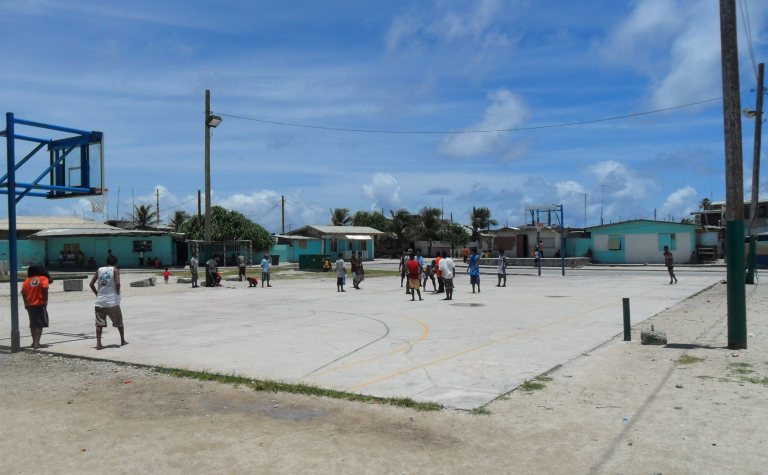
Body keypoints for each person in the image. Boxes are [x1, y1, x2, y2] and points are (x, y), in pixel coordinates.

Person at [89, 256, 126, 350]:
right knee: (119, 321)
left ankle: (98, 344)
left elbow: (91, 284)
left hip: (100, 301)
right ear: (115, 262)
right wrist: (117, 292)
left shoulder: (99, 269)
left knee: (99, 323)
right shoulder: (115, 269)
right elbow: (117, 283)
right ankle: (122, 340)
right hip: (112, 301)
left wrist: (97, 293)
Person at [21, 265, 50, 350]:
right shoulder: (43, 278)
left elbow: (23, 292)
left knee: (33, 324)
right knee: (39, 324)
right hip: (39, 304)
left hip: (30, 305)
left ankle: (34, 341)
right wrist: (45, 300)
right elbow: (45, 288)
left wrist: (26, 303)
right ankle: (37, 343)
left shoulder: (27, 281)